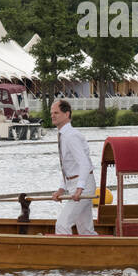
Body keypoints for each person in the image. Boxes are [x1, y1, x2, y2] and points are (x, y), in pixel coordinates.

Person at [50, 99, 96, 235]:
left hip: (83, 186)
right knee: (85, 230)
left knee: (62, 225)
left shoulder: (71, 136)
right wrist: (61, 189)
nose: (52, 115)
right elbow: (67, 166)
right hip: (74, 184)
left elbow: (84, 163)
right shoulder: (64, 135)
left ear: (66, 114)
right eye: (51, 113)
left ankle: (65, 256)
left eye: (56, 112)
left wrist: (80, 189)